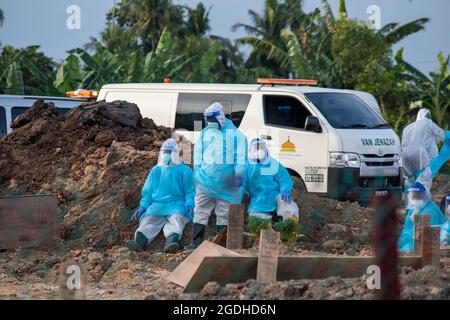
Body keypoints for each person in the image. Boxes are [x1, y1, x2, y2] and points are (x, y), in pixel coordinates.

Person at [184, 102, 248, 250]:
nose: (210, 123)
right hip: (204, 181)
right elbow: (198, 154)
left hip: (227, 184)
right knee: (200, 210)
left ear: (221, 119)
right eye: (208, 121)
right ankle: (196, 243)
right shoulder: (206, 133)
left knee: (223, 213)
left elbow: (241, 157)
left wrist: (239, 174)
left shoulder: (236, 135)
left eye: (213, 121)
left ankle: (220, 246)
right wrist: (197, 172)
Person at [126, 138, 195, 253]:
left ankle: (171, 243)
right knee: (148, 221)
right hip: (157, 206)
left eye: (168, 153)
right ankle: (138, 243)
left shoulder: (185, 171)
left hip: (177, 204)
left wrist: (190, 202)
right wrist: (143, 206)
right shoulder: (155, 170)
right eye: (164, 152)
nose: (165, 155)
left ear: (174, 154)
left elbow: (190, 190)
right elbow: (148, 191)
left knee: (176, 220)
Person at [244, 138, 294, 221]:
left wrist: (285, 190)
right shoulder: (247, 166)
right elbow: (242, 183)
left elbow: (284, 179)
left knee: (288, 206)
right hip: (258, 197)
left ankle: (290, 228)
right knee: (256, 215)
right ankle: (266, 228)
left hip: (276, 194)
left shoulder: (273, 163)